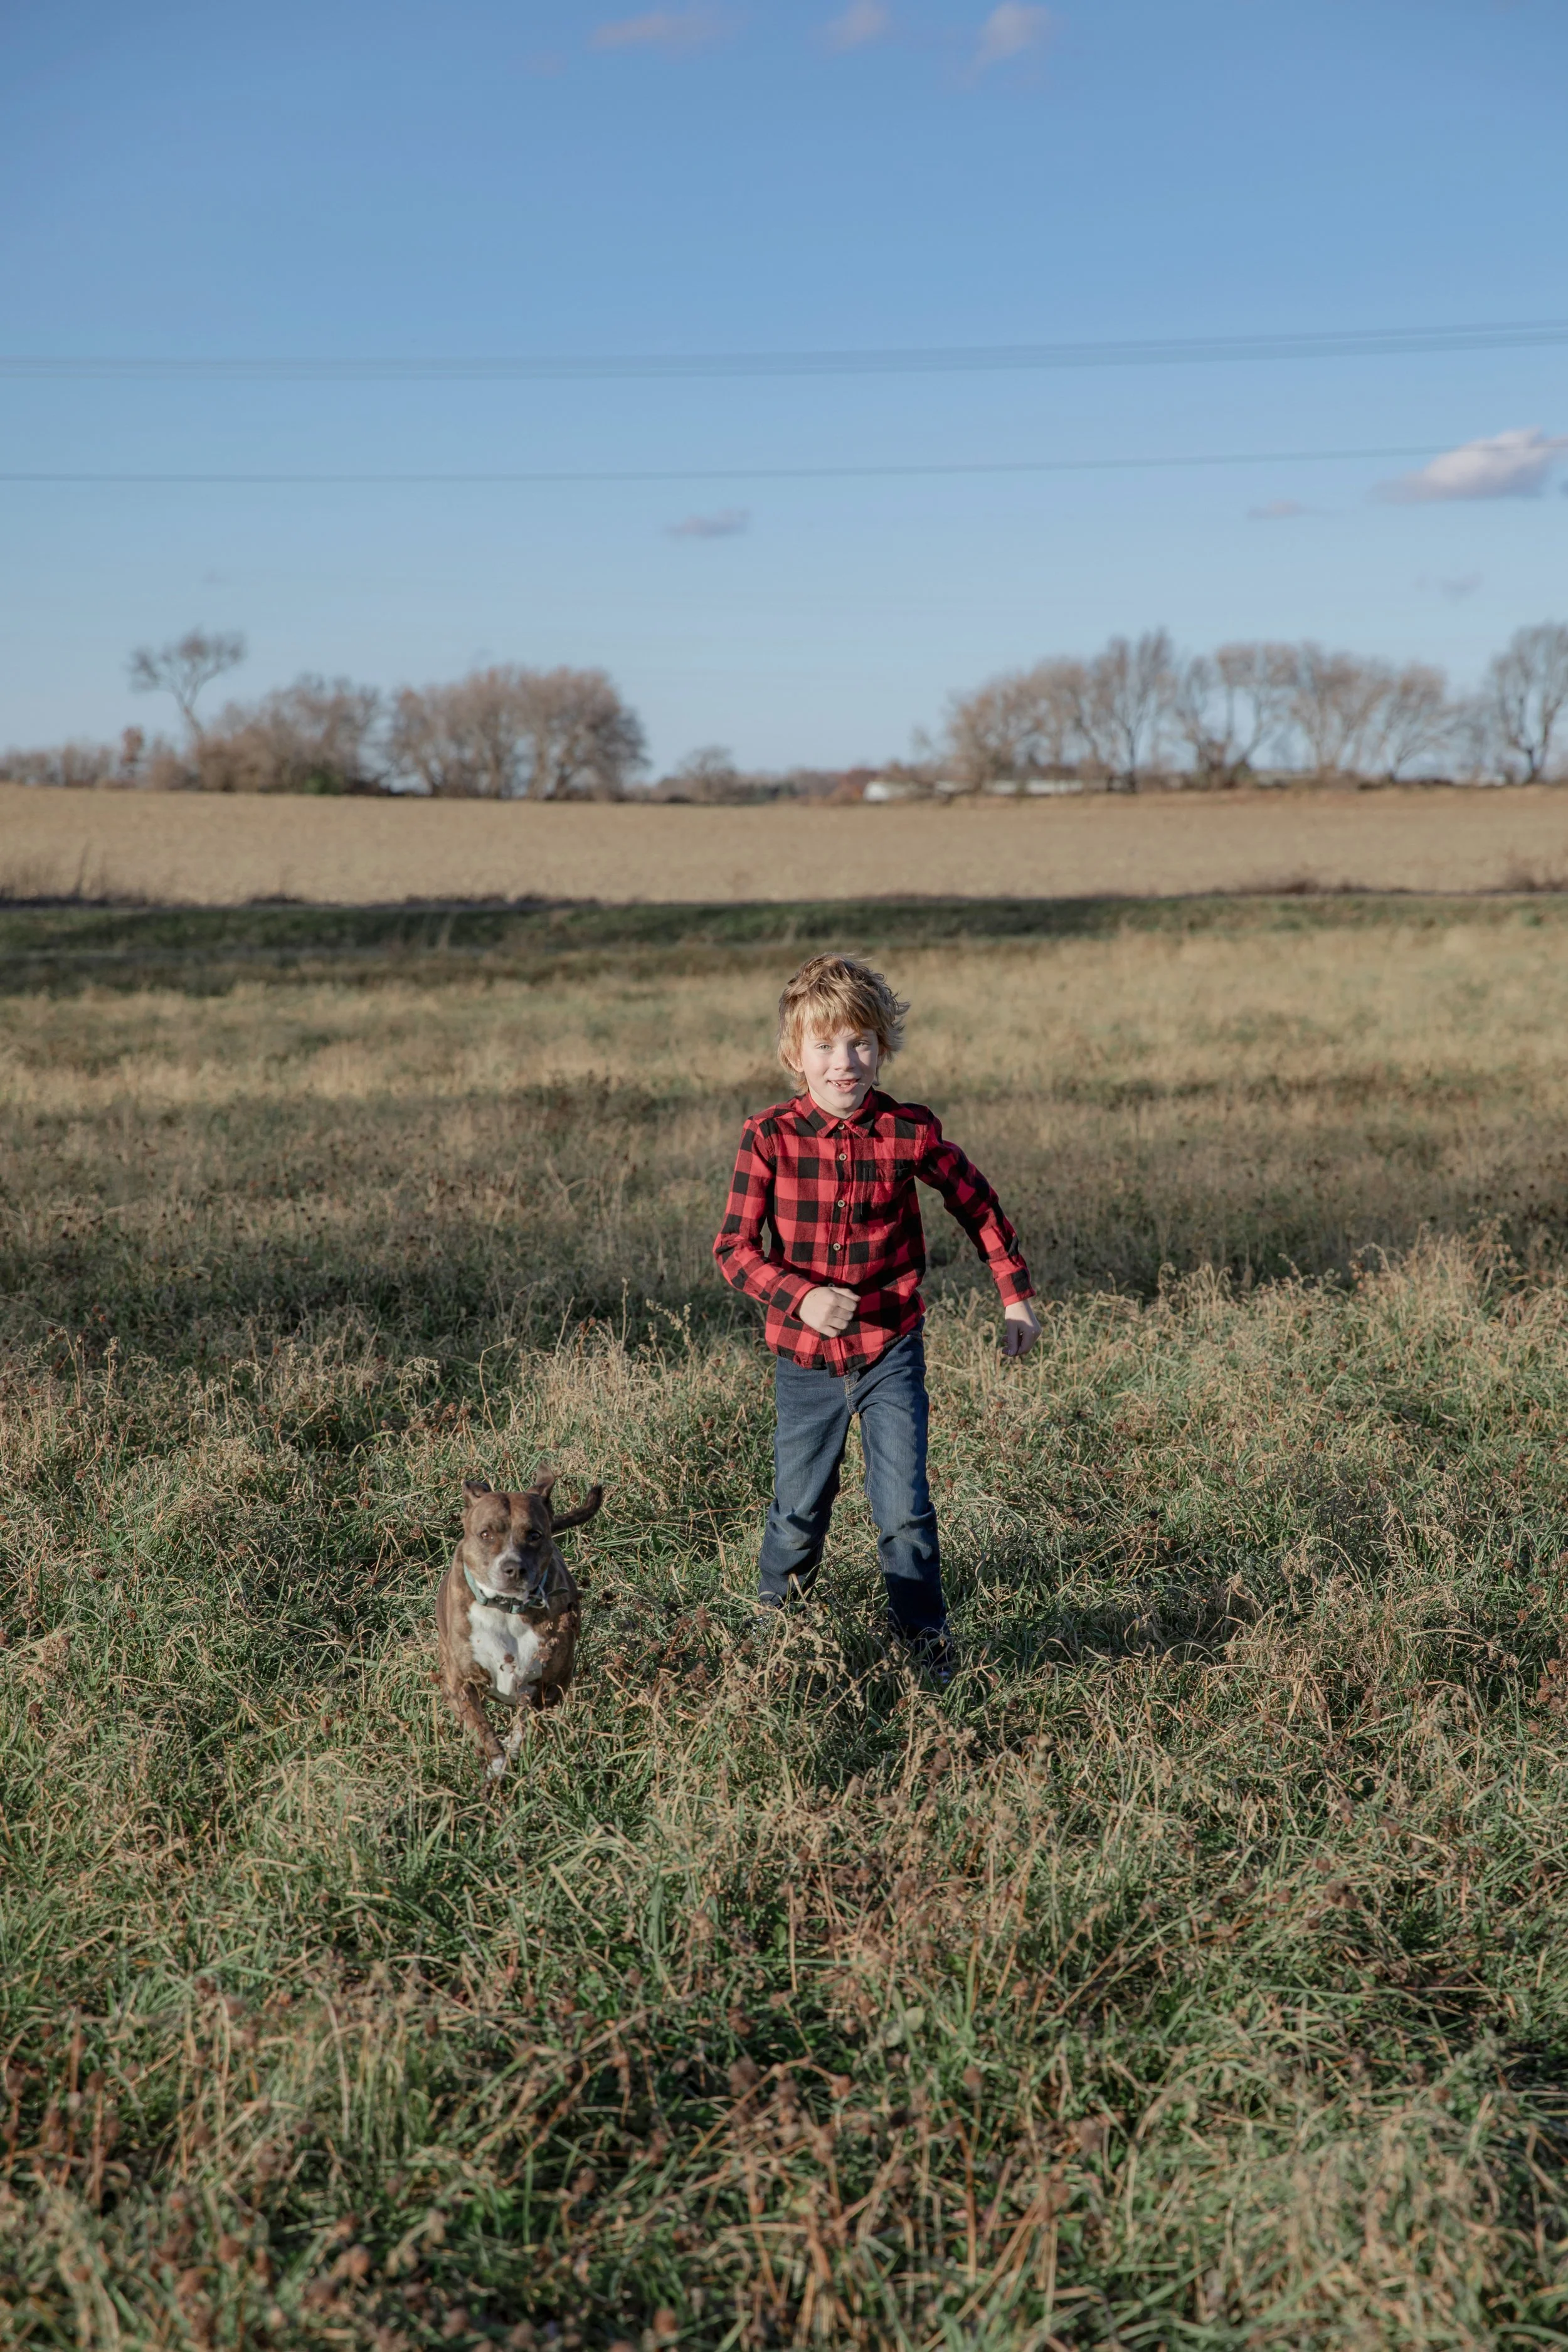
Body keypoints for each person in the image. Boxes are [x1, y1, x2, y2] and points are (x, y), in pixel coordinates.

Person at [712, 951, 1040, 1677]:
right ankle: (778, 1640)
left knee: (905, 1513)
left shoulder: (907, 1131)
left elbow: (976, 1203)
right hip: (804, 1362)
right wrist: (800, 1295)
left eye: (860, 1042)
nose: (844, 1063)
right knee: (799, 1512)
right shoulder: (767, 1137)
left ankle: (925, 1646)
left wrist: (1013, 1292)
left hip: (891, 1349)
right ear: (794, 1056)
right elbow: (732, 1249)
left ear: (882, 1048)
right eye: (824, 1046)